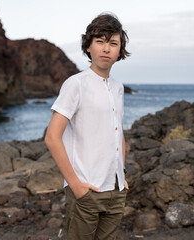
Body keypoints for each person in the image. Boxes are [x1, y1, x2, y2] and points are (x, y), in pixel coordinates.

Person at [45, 13, 130, 240]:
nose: (106, 48)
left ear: (119, 51)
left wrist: (122, 174)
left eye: (113, 43)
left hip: (116, 188)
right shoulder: (76, 84)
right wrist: (75, 185)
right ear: (89, 46)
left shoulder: (118, 88)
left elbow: (117, 131)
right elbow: (52, 137)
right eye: (100, 41)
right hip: (86, 189)